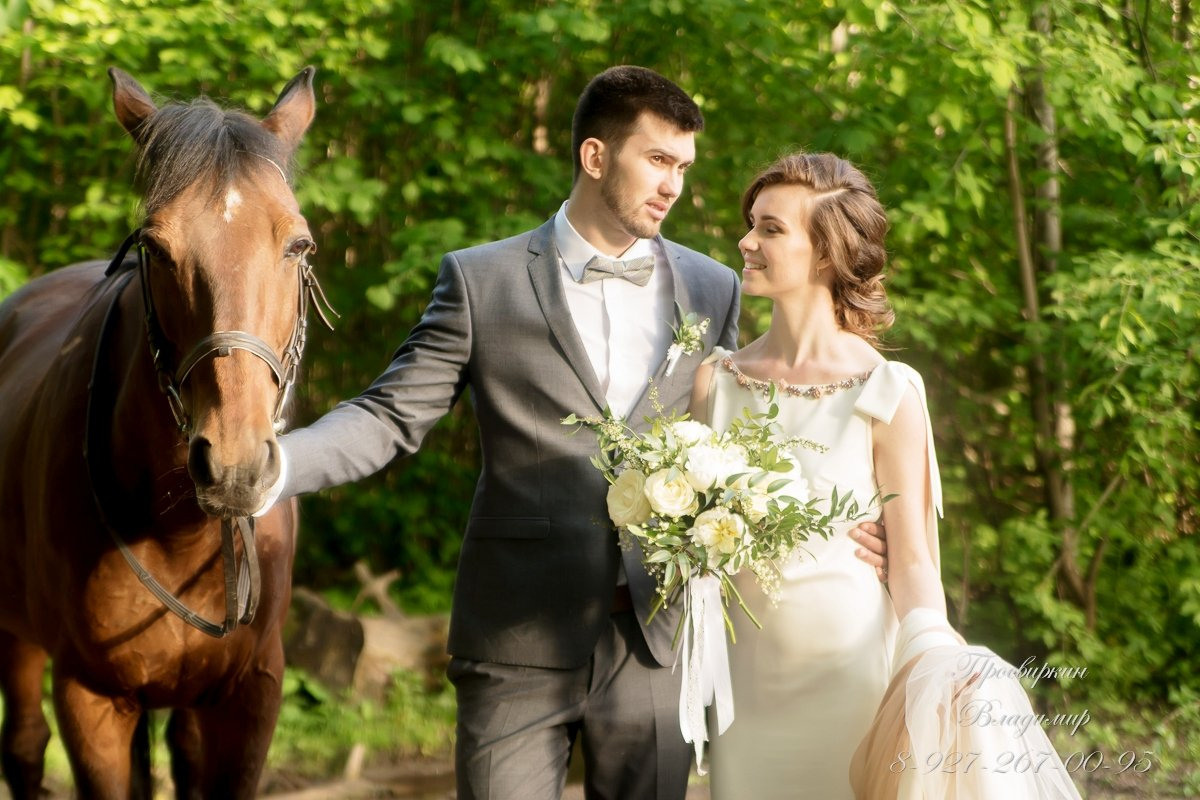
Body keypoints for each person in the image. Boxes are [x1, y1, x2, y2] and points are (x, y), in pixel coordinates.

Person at [262, 70, 887, 800]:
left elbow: (747, 435)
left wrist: (844, 525)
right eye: (658, 160)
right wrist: (271, 465)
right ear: (595, 156)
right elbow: (390, 415)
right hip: (514, 639)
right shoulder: (480, 281)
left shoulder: (713, 286)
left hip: (656, 640)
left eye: (684, 167)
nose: (674, 186)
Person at [692, 152, 1081, 799]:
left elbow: (913, 562)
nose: (746, 242)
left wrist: (940, 659)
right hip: (742, 687)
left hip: (851, 679)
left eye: (770, 229)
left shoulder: (888, 391)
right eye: (751, 224)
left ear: (826, 253)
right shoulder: (715, 383)